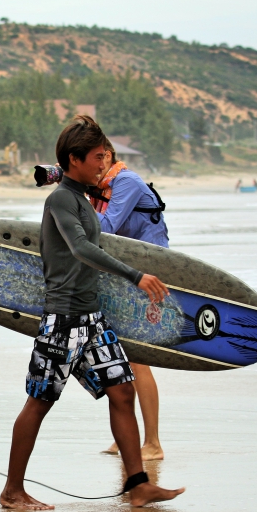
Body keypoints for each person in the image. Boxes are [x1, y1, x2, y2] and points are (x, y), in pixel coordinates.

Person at [0, 115, 185, 511]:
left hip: (91, 318)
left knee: (123, 391)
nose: (104, 164)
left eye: (105, 156)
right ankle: (12, 490)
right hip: (64, 320)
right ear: (74, 159)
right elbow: (83, 248)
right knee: (39, 401)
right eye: (98, 157)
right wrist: (137, 276)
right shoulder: (62, 200)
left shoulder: (82, 198)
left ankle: (138, 484)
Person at [93, 144, 168, 461]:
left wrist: (71, 208)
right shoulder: (99, 187)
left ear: (108, 156)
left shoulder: (127, 182)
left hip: (149, 275)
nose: (93, 166)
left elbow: (105, 227)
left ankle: (153, 443)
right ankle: (127, 438)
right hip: (125, 272)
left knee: (137, 358)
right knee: (118, 354)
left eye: (97, 159)